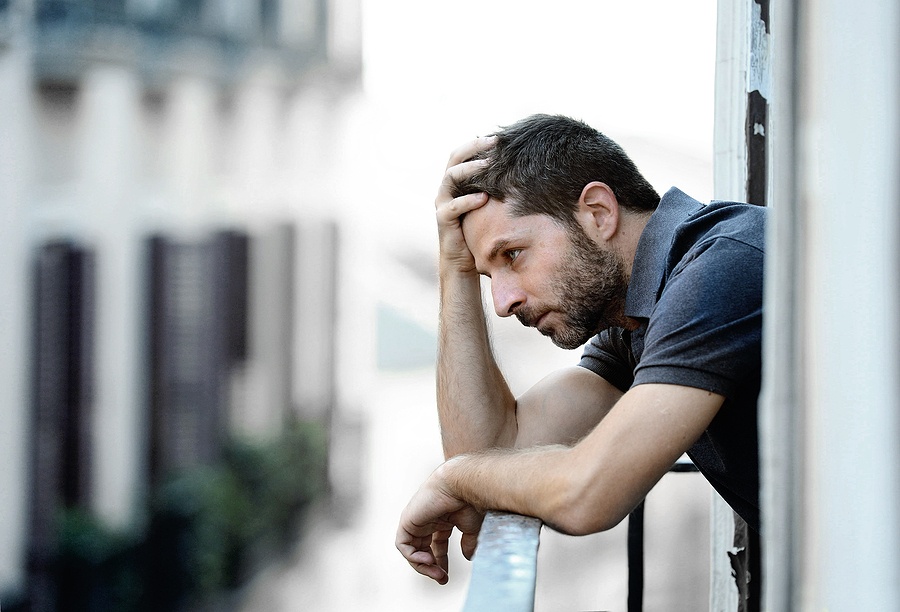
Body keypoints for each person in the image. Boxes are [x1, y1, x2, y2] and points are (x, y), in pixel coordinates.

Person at [395, 114, 765, 586]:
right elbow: (495, 453)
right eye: (488, 276)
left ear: (598, 212)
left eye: (512, 254)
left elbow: (588, 494)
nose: (504, 303)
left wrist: (455, 477)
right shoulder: (637, 323)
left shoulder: (719, 270)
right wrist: (454, 268)